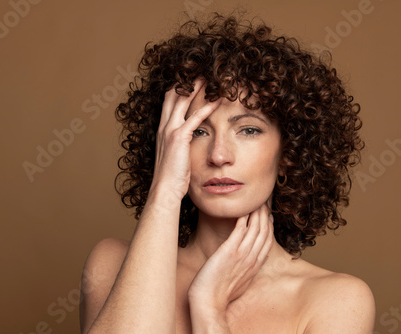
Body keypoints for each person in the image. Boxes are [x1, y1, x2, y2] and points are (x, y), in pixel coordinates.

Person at [79, 11, 375, 334]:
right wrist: (164, 193)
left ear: (289, 152)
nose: (219, 155)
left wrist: (209, 309)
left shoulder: (337, 300)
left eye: (248, 130)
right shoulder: (110, 266)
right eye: (198, 132)